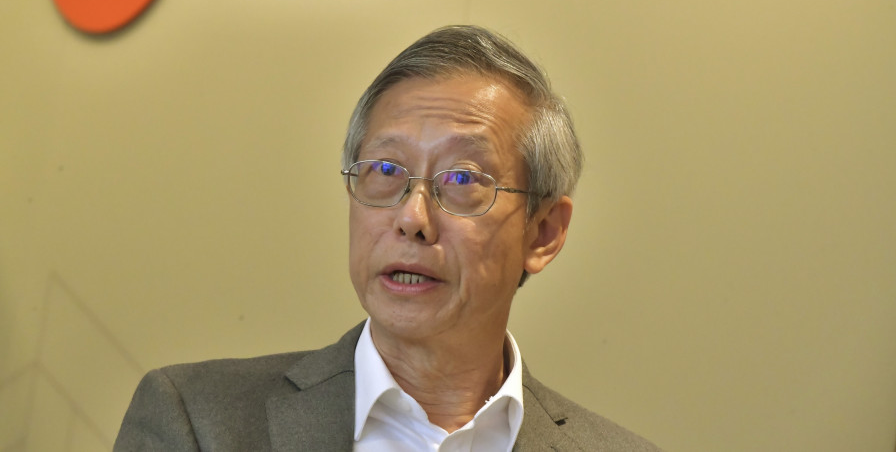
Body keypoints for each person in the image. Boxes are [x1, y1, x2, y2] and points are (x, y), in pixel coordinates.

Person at [115, 25, 661, 451]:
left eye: (463, 179)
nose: (412, 218)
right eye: (384, 170)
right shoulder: (200, 423)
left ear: (543, 233)